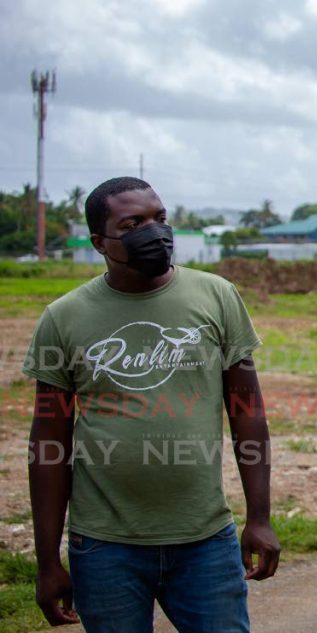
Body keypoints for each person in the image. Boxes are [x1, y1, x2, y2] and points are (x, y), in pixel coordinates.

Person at [24, 177, 279, 631]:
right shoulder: (63, 318)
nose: (155, 232)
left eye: (160, 219)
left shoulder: (216, 296)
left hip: (205, 541)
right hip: (105, 548)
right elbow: (48, 445)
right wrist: (48, 562)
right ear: (101, 242)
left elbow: (248, 414)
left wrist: (259, 516)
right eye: (134, 223)